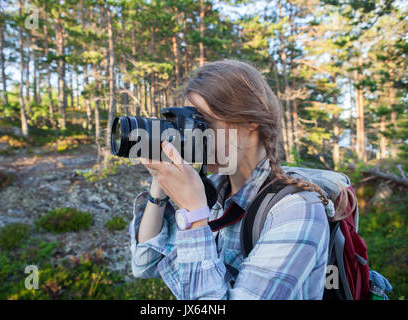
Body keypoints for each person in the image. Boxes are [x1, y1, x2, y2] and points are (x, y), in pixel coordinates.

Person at [128, 59, 335, 300]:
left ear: (250, 121)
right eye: (187, 125)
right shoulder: (213, 193)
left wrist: (194, 215)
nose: (192, 136)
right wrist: (159, 185)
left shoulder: (297, 210)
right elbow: (144, 263)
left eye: (202, 123)